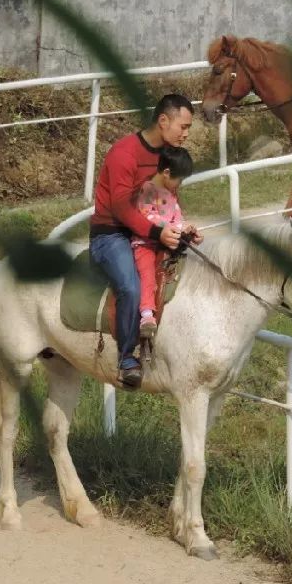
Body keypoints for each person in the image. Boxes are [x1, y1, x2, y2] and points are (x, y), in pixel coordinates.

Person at [88, 94, 194, 388]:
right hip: (111, 233)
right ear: (163, 121)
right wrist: (158, 234)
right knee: (131, 287)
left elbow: (168, 201)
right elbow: (121, 207)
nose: (185, 134)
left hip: (147, 232)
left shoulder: (169, 157)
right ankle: (127, 357)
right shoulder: (124, 153)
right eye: (182, 127)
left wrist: (181, 230)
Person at [131, 146, 202, 338]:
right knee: (147, 274)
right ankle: (146, 313)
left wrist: (188, 229)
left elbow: (177, 219)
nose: (180, 184)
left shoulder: (171, 194)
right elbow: (148, 216)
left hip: (167, 242)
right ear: (167, 173)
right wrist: (174, 228)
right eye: (179, 179)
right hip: (146, 244)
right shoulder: (148, 190)